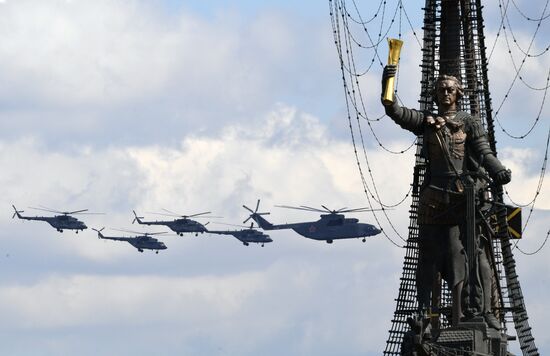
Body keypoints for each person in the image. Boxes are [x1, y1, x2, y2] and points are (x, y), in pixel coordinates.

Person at [381, 64, 511, 327]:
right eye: (441, 90)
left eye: (450, 89)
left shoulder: (469, 122)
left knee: (475, 253)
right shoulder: (427, 122)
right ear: (435, 94)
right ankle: (423, 310)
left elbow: (484, 153)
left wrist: (498, 170)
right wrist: (388, 85)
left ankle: (482, 309)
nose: (445, 94)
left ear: (458, 93)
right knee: (427, 253)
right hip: (434, 195)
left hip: (464, 195)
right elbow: (395, 111)